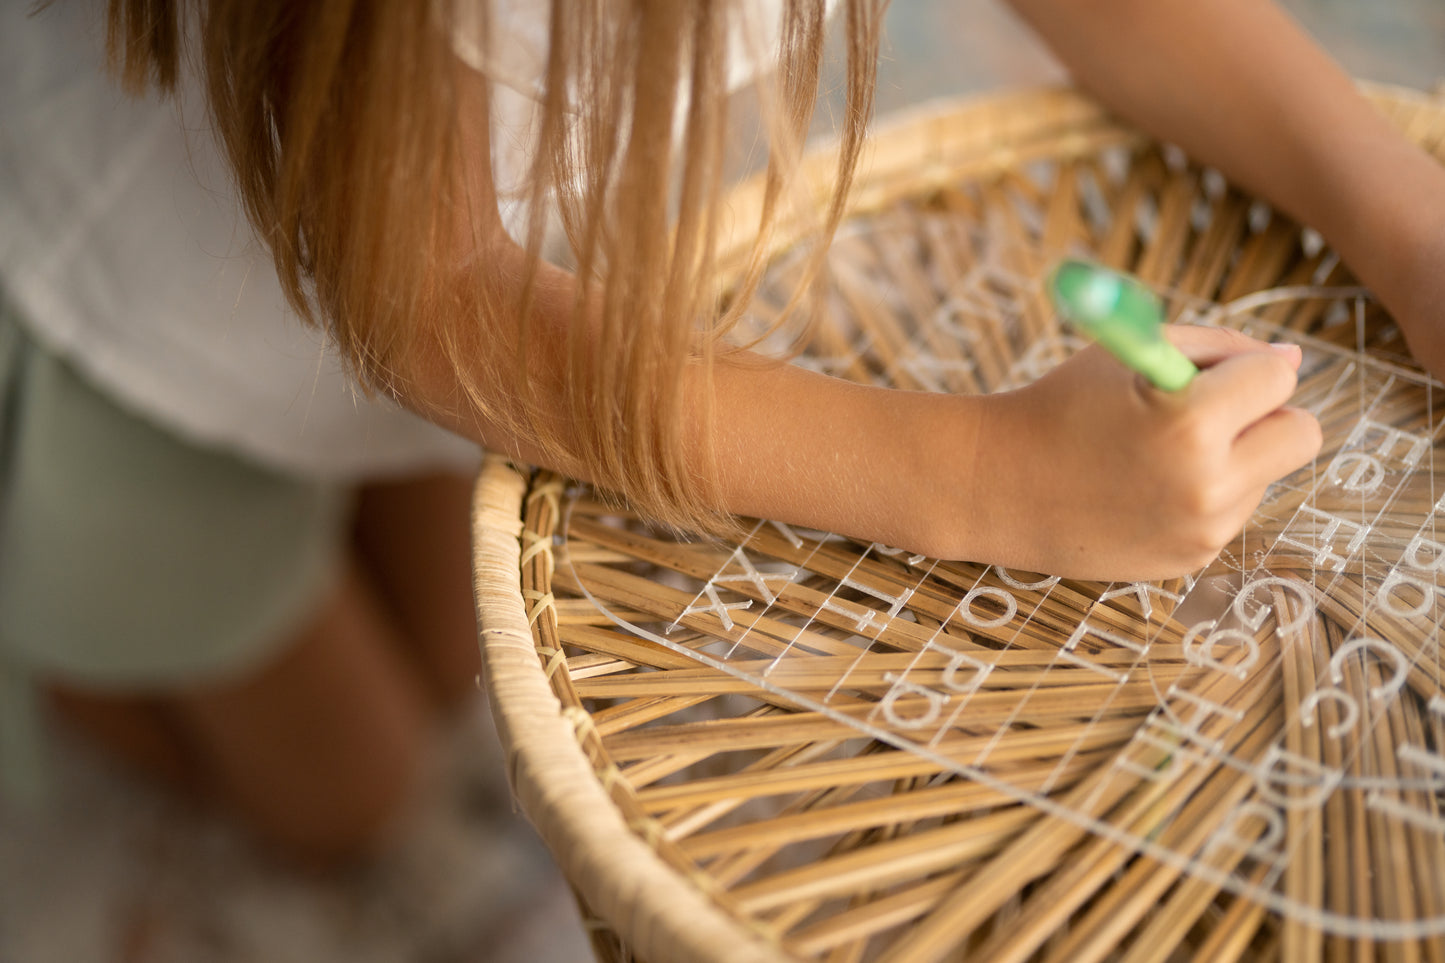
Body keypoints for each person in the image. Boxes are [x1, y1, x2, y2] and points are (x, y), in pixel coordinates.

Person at [4, 0, 1443, 861]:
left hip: (471, 304)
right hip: (160, 334)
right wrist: (993, 477)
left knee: (453, 672)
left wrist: (1396, 213)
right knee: (342, 806)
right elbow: (421, 296)